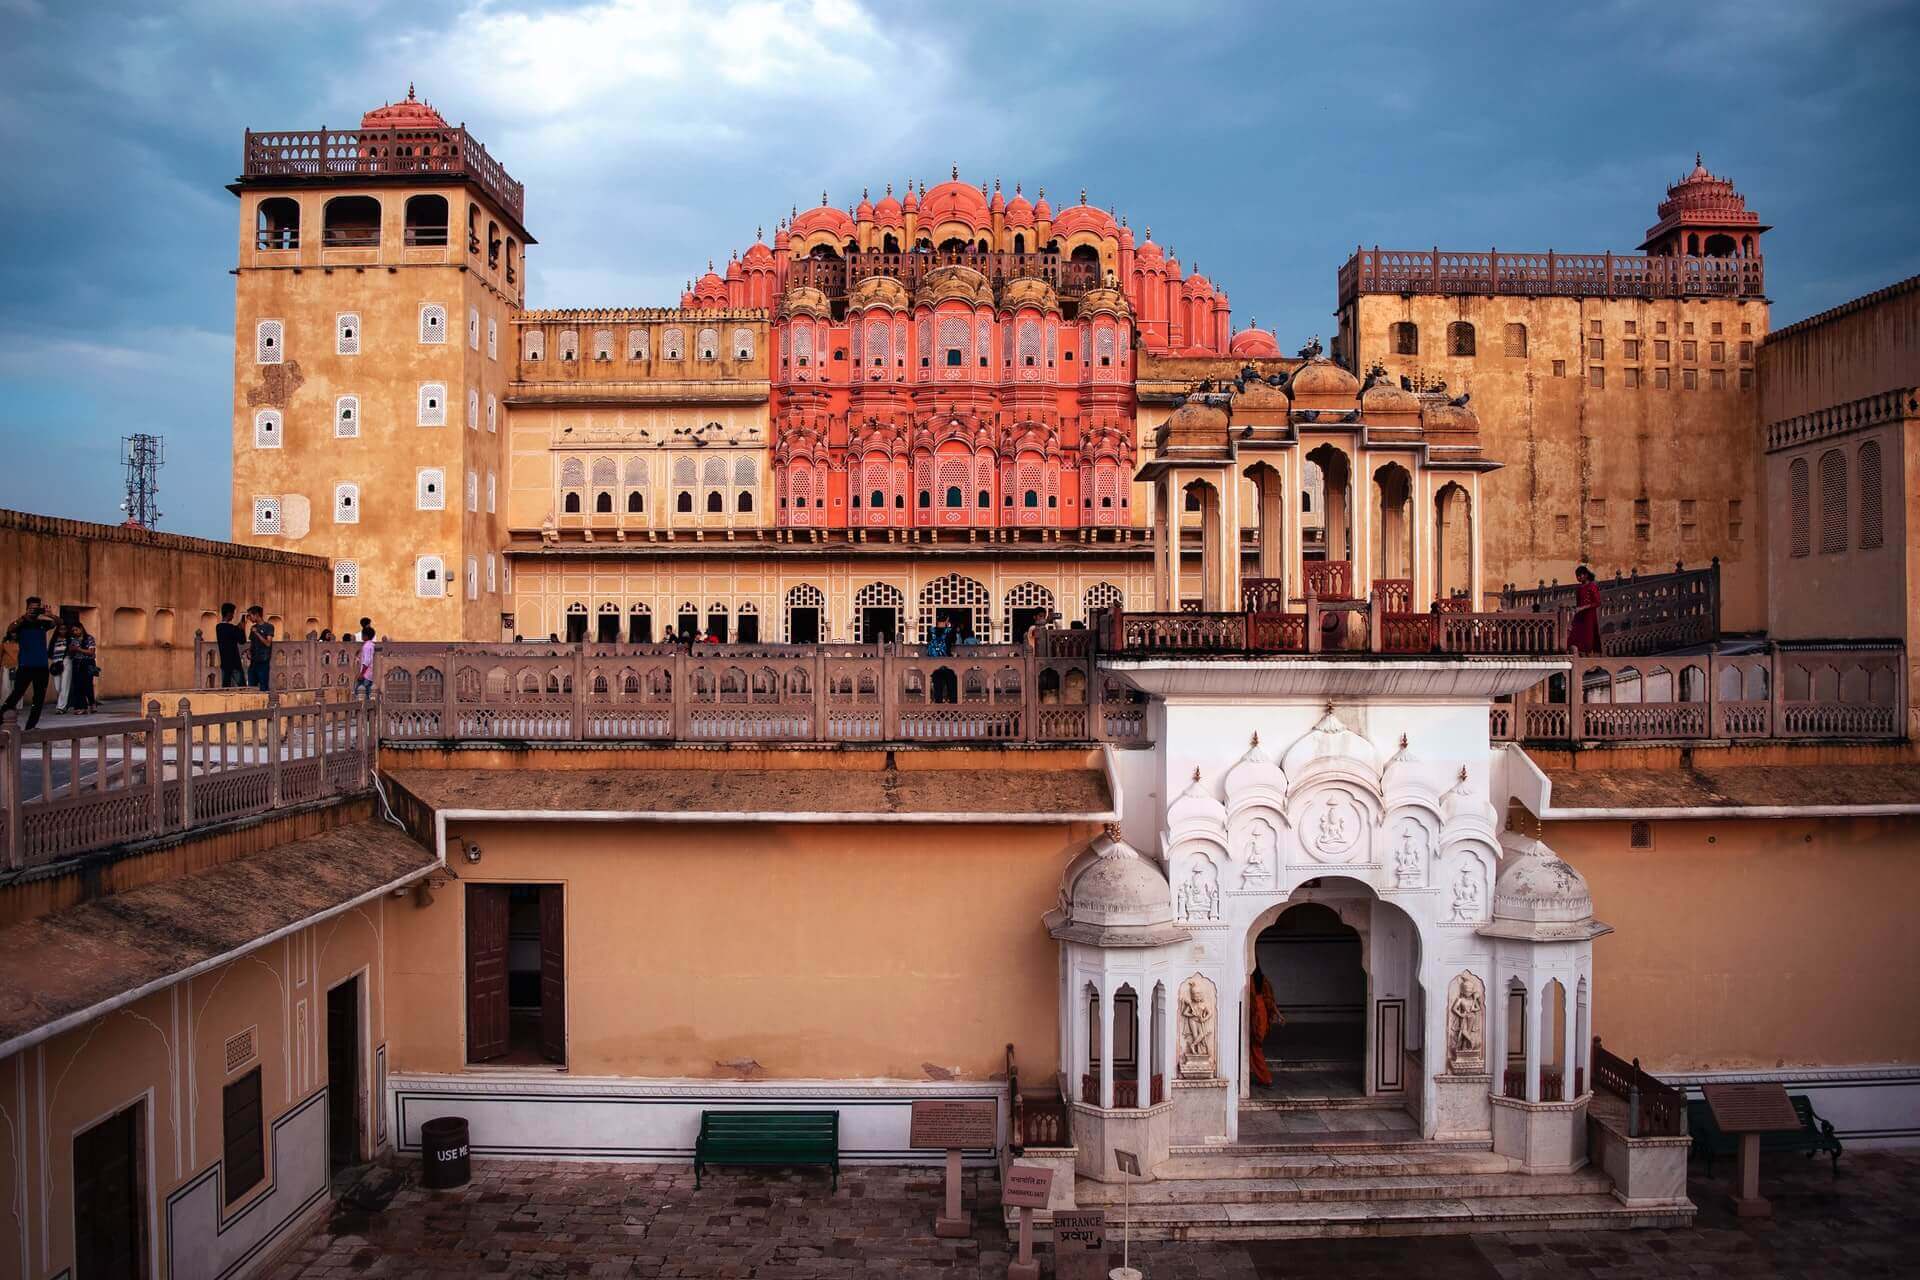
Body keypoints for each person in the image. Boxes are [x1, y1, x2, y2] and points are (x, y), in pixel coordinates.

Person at [0, 597, 58, 730]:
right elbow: (10, 629)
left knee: (39, 698)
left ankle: (31, 726)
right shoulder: (21, 623)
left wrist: (51, 615)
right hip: (26, 665)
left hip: (42, 666)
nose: (34, 610)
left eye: (36, 608)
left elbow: (59, 623)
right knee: (16, 695)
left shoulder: (42, 623)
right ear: (27, 608)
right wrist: (24, 617)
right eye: (31, 608)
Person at [1248, 966, 1284, 1088]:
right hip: (1259, 1012)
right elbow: (1270, 1000)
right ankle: (1263, 1077)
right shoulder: (1261, 980)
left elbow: (1268, 1001)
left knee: (1255, 1048)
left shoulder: (1251, 981)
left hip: (1256, 1015)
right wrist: (1278, 1015)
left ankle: (1265, 1078)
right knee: (1254, 1048)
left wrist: (1278, 1015)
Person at [65, 622, 98, 713]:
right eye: (73, 631)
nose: (75, 632)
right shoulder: (73, 640)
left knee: (87, 685)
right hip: (77, 663)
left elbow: (91, 652)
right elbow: (71, 654)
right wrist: (71, 650)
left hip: (88, 663)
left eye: (76, 630)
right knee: (78, 685)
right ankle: (81, 707)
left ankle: (92, 703)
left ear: (81, 629)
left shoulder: (89, 638)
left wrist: (78, 649)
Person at [1569, 565, 1602, 655]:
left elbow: (1597, 602)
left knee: (1588, 637)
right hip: (1580, 615)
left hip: (1589, 615)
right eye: (1577, 576)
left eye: (1580, 575)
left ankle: (1589, 657)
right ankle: (1579, 657)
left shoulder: (1592, 586)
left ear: (1586, 575)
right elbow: (1578, 603)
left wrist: (1583, 608)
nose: (1578, 578)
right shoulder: (1579, 588)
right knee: (1575, 636)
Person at [215, 603, 246, 688]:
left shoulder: (218, 627)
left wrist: (237, 628)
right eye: (232, 614)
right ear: (229, 614)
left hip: (225, 663)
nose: (232, 616)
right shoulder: (233, 628)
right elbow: (242, 641)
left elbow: (228, 630)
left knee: (226, 688)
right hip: (234, 663)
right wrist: (242, 629)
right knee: (242, 687)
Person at [245, 605, 275, 691]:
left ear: (256, 615)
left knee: (263, 687)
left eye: (250, 615)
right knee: (251, 687)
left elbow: (268, 643)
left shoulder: (269, 627)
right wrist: (249, 652)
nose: (249, 618)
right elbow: (252, 643)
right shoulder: (253, 628)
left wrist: (257, 633)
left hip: (263, 660)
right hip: (254, 661)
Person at [354, 623, 376, 700]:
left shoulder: (366, 646)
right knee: (368, 694)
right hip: (371, 674)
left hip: (366, 674)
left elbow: (367, 661)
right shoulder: (372, 645)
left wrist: (362, 674)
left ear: (365, 636)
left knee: (360, 694)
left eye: (362, 635)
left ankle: (361, 711)